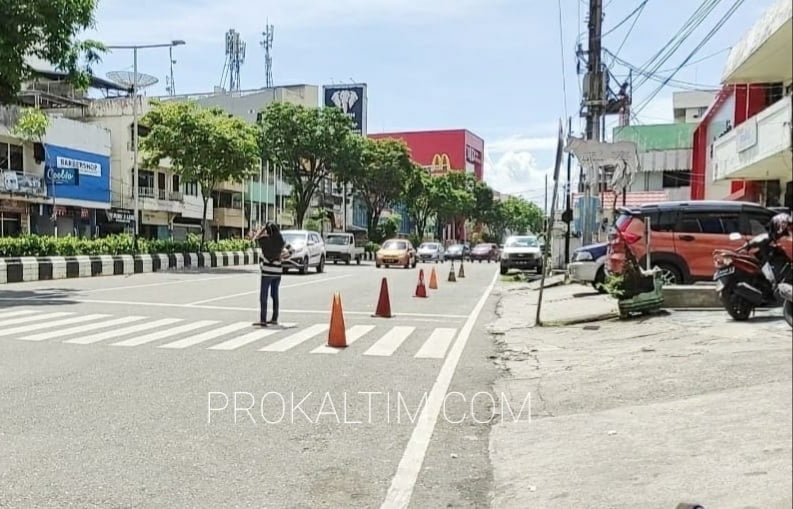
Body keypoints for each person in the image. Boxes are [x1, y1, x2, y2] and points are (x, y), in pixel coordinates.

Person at [249, 222, 293, 327]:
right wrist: (282, 257)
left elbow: (255, 238)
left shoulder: (264, 241)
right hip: (277, 272)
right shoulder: (281, 241)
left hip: (267, 272)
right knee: (274, 295)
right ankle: (274, 318)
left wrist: (262, 229)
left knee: (263, 296)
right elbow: (292, 250)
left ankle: (263, 320)